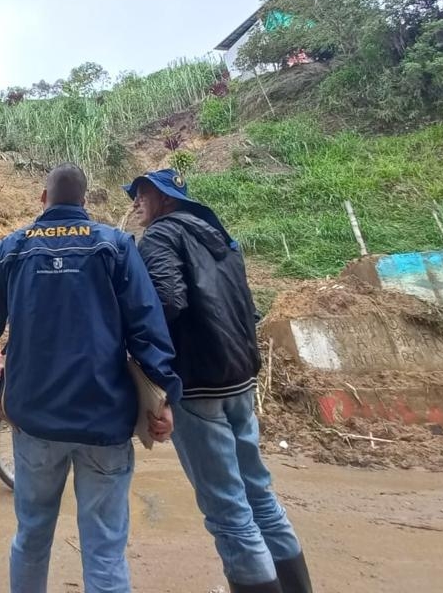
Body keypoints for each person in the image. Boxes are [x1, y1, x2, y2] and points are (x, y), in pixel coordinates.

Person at [0, 163, 181, 593]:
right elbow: (147, 326)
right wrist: (164, 396)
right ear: (84, 202)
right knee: (104, 551)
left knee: (31, 537)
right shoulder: (115, 246)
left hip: (35, 422)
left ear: (43, 200)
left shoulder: (10, 250)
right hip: (105, 423)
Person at [124, 169, 313, 593]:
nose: (136, 203)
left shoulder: (159, 237)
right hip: (239, 379)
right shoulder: (221, 238)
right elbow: (248, 307)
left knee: (227, 511)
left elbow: (167, 301)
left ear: (166, 199)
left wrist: (152, 370)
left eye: (143, 194)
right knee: (259, 495)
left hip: (198, 386)